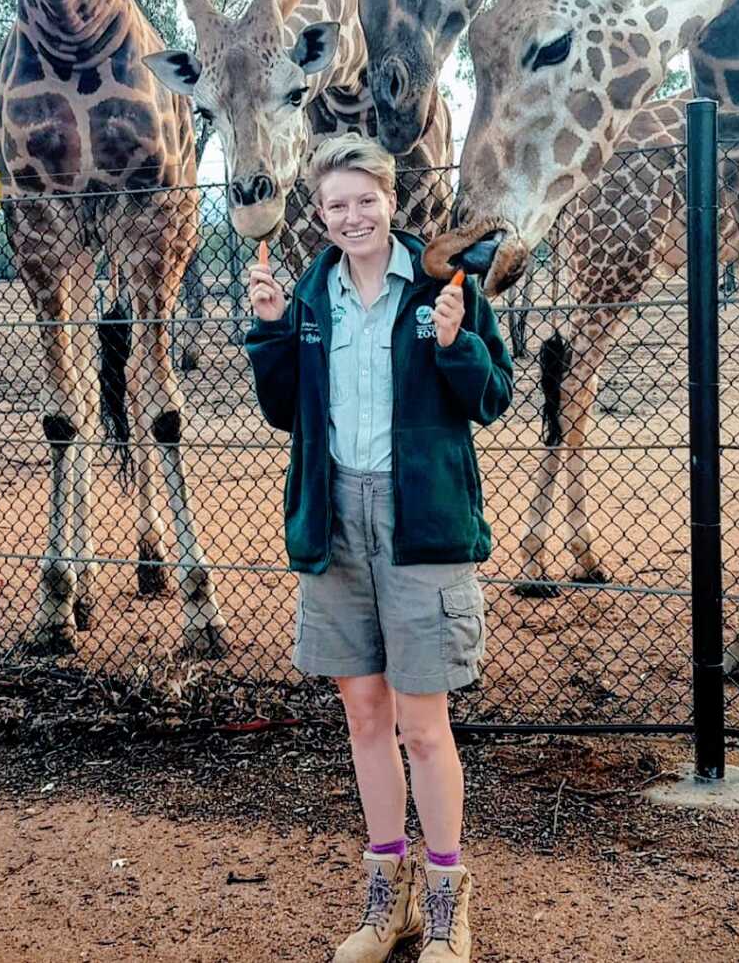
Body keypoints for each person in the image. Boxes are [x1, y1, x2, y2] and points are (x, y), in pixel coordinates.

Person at [245, 132, 513, 963]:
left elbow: (494, 396)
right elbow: (287, 411)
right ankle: (383, 900)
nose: (353, 215)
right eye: (337, 205)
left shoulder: (442, 283)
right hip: (335, 520)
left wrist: (453, 342)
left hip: (419, 522)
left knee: (424, 725)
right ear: (319, 216)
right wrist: (269, 333)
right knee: (365, 717)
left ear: (392, 201)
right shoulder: (312, 293)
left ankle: (444, 902)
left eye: (367, 199)